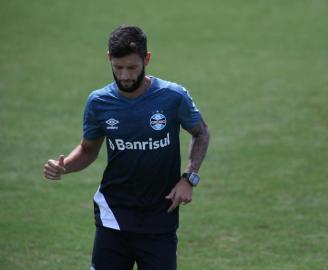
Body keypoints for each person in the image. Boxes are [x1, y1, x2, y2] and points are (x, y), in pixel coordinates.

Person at [43, 25, 210, 270]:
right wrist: (64, 166)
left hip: (160, 217)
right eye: (118, 67)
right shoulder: (99, 102)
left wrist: (189, 178)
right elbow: (88, 150)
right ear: (109, 58)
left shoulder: (172, 97)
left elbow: (201, 132)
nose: (125, 76)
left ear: (147, 59)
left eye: (132, 68)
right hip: (114, 213)